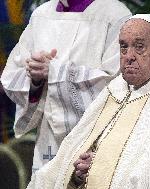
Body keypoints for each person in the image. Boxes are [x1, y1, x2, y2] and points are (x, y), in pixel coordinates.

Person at [27, 14, 150, 189]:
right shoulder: (117, 89)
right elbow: (75, 151)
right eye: (124, 47)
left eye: (139, 47)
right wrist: (77, 171)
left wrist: (99, 167)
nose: (129, 56)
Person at [0, 0, 131, 171]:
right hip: (47, 143)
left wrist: (57, 73)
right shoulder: (41, 15)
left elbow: (119, 84)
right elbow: (12, 75)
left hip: (95, 144)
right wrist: (35, 78)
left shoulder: (115, 15)